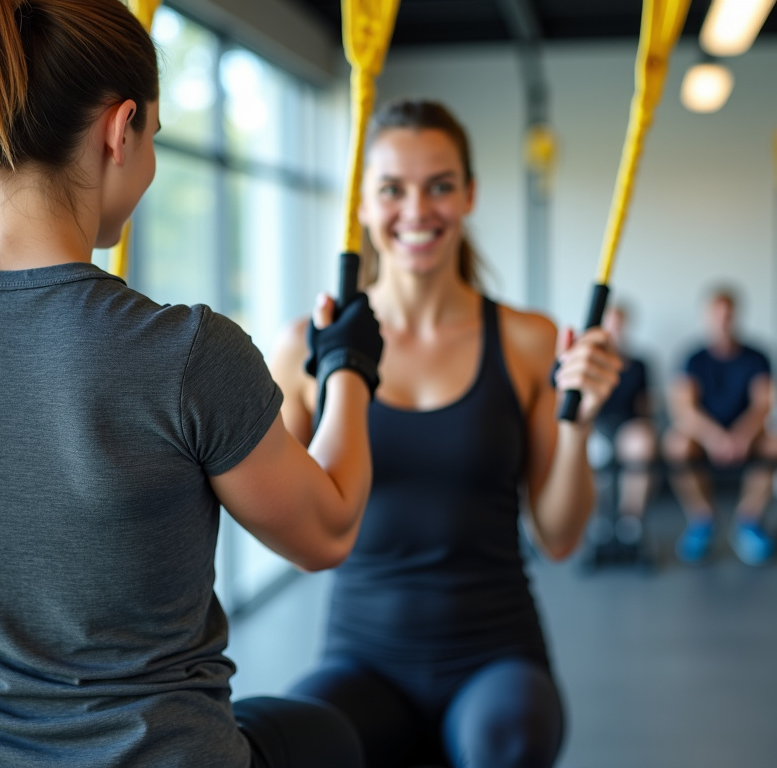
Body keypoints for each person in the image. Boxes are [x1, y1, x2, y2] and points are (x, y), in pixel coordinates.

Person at [0, 1, 382, 765]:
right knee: (329, 737)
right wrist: (349, 368)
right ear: (120, 129)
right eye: (155, 139)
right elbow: (328, 529)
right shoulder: (187, 353)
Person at [272, 100, 622, 768]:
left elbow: (559, 536)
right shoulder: (304, 349)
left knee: (507, 744)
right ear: (364, 206)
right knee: (295, 742)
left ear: (469, 194)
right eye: (392, 189)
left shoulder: (527, 340)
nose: (417, 210)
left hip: (495, 658)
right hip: (361, 656)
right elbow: (296, 540)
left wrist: (580, 423)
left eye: (439, 186)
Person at [664, 287, 777, 566]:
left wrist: (742, 435)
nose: (723, 320)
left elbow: (763, 405)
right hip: (706, 436)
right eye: (716, 314)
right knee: (675, 443)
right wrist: (715, 438)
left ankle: (748, 521)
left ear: (736, 316)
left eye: (728, 314)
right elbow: (684, 410)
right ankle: (702, 519)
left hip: (747, 434)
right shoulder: (692, 358)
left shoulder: (757, 356)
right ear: (706, 317)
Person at [586, 303, 657, 547]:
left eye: (619, 325)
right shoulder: (589, 362)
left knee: (641, 444)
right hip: (595, 426)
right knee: (594, 450)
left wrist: (649, 426)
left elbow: (644, 408)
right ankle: (597, 520)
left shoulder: (638, 365)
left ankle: (630, 519)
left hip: (628, 426)